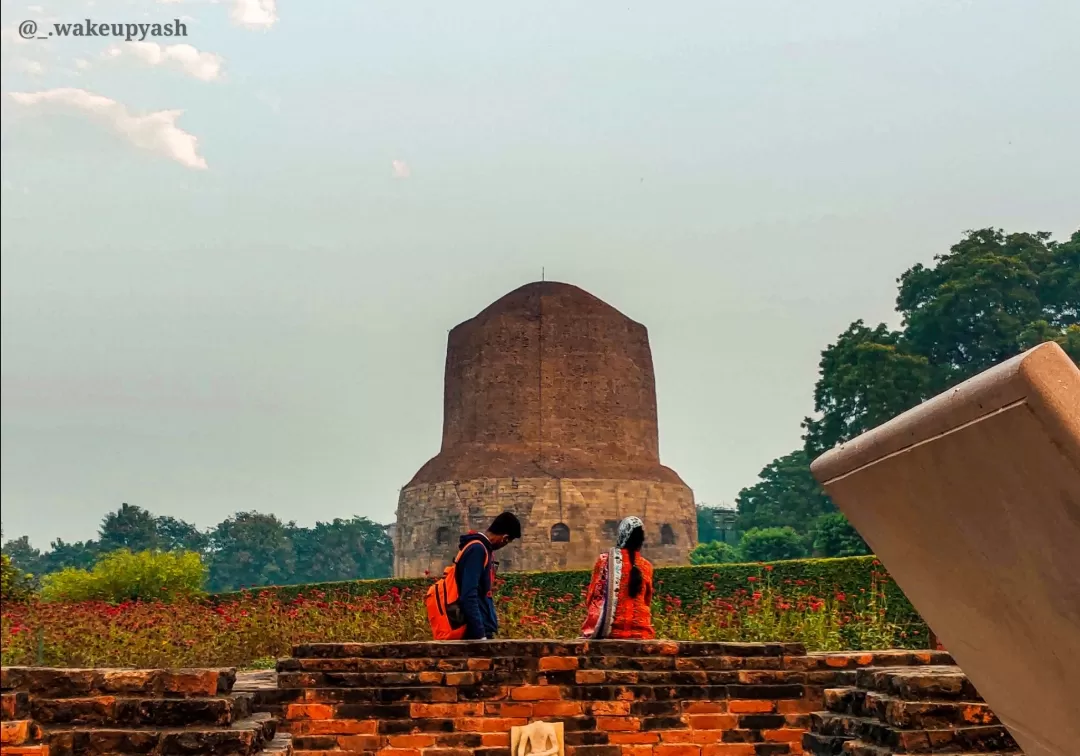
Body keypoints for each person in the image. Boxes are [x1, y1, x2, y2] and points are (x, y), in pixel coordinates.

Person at [580, 516, 656, 640]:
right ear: (641, 540)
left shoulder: (605, 561)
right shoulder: (646, 566)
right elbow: (647, 600)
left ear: (621, 534)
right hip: (641, 631)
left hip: (611, 631)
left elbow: (592, 598)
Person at [454, 511, 522, 640]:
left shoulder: (481, 548)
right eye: (507, 542)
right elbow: (469, 594)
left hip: (479, 630)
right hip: (474, 634)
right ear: (505, 537)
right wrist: (480, 635)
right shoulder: (477, 550)